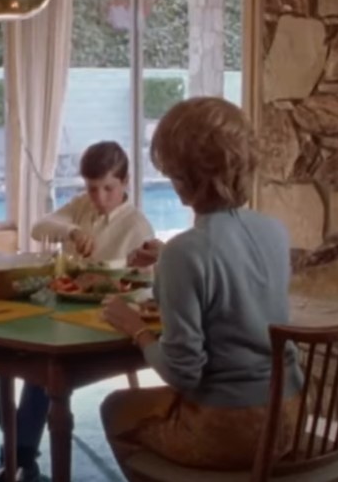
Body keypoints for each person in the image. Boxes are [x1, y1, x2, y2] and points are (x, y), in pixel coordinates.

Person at [99, 97, 303, 477]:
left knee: (114, 409)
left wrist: (136, 330)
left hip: (229, 429)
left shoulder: (185, 253)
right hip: (287, 417)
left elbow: (182, 373)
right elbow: (233, 278)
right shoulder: (275, 231)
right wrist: (166, 260)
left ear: (185, 178)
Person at [0, 141, 155, 482]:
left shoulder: (137, 226)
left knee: (42, 365)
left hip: (106, 318)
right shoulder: (82, 207)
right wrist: (72, 229)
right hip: (62, 306)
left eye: (108, 188)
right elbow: (40, 226)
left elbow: (143, 286)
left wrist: (106, 277)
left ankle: (21, 456)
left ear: (126, 181)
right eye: (92, 188)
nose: (99, 197)